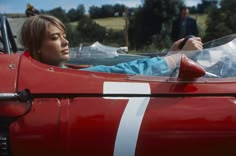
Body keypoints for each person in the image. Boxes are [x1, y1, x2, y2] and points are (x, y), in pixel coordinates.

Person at [19, 14, 203, 76]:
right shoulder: (54, 80)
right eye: (55, 37)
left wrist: (167, 56)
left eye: (64, 36)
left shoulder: (62, 70)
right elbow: (121, 72)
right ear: (36, 48)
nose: (66, 42)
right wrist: (175, 58)